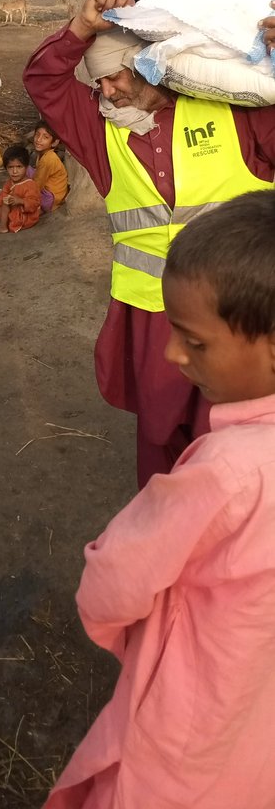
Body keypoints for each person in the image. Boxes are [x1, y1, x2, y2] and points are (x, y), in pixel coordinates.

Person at [44, 189, 275, 809]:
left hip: (189, 726)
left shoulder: (225, 471)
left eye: (195, 343)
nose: (173, 354)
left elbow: (113, 579)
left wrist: (132, 636)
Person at [24, 0, 275, 486]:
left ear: (147, 66)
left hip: (242, 311)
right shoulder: (102, 132)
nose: (108, 92)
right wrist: (81, 27)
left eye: (116, 76)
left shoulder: (235, 111)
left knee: (237, 432)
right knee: (161, 435)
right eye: (98, 83)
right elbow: (43, 80)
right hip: (155, 314)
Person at [0, 145, 41, 233]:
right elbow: (1, 195)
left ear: (26, 167)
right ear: (6, 168)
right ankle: (8, 223)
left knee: (5, 201)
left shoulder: (30, 184)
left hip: (26, 217)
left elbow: (34, 204)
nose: (14, 172)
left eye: (19, 167)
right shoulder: (9, 183)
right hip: (15, 212)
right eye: (10, 167)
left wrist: (20, 201)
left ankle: (3, 227)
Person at [30, 119, 68, 212]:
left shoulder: (48, 159)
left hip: (50, 199)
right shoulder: (44, 154)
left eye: (45, 137)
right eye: (37, 134)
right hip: (52, 194)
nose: (39, 140)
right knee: (25, 170)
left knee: (24, 172)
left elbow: (37, 184)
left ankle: (38, 209)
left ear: (54, 142)